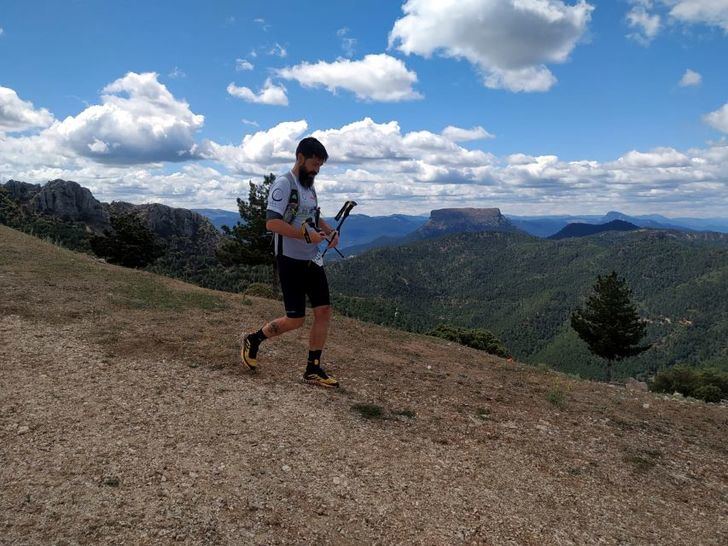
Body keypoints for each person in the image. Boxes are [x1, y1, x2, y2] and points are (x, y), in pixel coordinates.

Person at [241, 137, 340, 387]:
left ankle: (313, 369)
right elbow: (271, 223)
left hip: (311, 259)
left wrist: (329, 231)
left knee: (324, 311)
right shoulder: (284, 184)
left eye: (320, 166)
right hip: (290, 259)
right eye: (314, 164)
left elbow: (313, 217)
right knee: (295, 319)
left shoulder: (309, 186)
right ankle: (253, 339)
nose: (317, 170)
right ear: (300, 157)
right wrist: (305, 235)